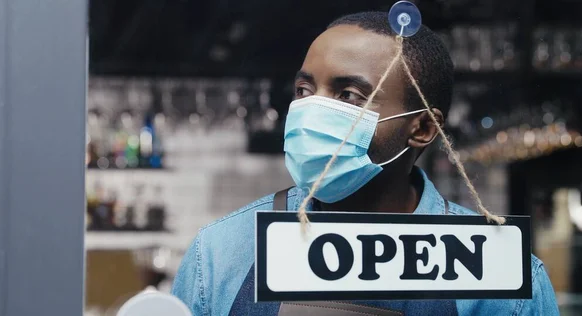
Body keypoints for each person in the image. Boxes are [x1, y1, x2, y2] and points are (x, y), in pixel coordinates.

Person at [172, 11, 559, 315]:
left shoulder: (503, 275)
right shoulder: (222, 253)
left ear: (422, 127)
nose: (311, 109)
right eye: (304, 90)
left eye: (349, 96)